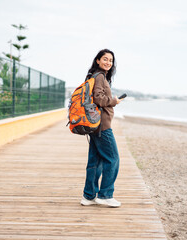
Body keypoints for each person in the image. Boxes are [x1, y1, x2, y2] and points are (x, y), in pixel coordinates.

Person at [80, 49, 123, 208]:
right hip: (102, 126)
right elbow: (98, 98)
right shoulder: (99, 77)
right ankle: (105, 195)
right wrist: (114, 101)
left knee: (95, 161)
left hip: (95, 125)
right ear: (97, 60)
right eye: (105, 59)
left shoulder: (96, 76)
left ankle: (88, 196)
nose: (108, 62)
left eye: (110, 60)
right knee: (113, 159)